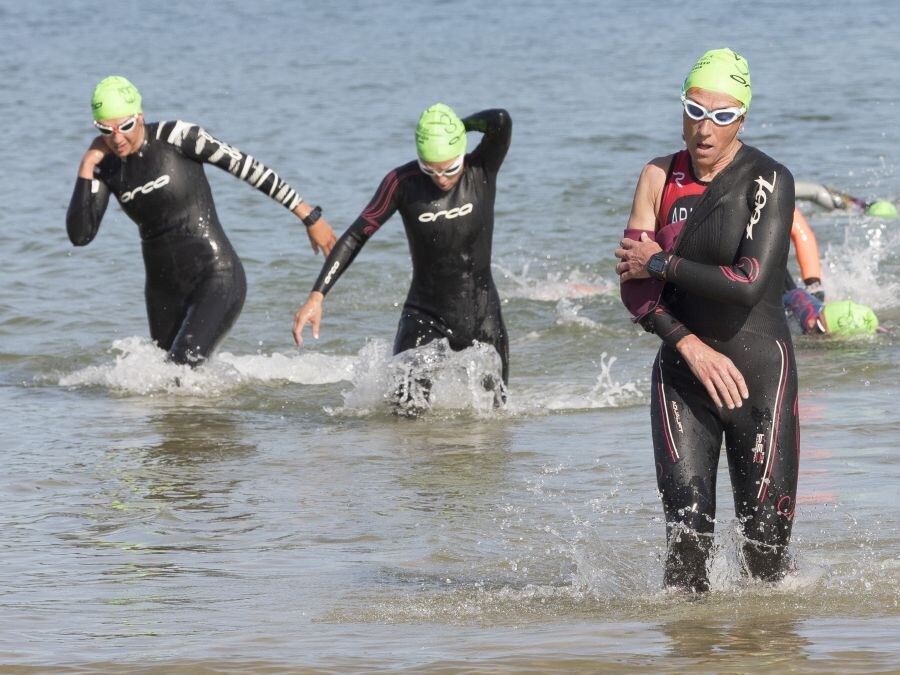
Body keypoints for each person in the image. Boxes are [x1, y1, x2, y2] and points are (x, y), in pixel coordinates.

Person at [614, 49, 798, 592]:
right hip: (683, 375)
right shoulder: (657, 175)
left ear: (742, 117)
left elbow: (747, 282)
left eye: (722, 116)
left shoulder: (768, 180)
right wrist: (688, 344)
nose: (706, 128)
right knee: (686, 547)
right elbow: (634, 288)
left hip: (760, 377)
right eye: (695, 110)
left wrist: (660, 261)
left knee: (765, 559)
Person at [67, 76, 337, 366]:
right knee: (165, 387)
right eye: (105, 129)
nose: (117, 138)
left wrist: (309, 216)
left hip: (217, 276)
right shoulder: (104, 167)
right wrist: (86, 165)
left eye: (126, 126)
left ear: (140, 116)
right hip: (162, 290)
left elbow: (247, 167)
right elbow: (81, 235)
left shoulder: (179, 136)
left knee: (179, 371)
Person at [292, 104, 512, 406]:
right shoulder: (401, 183)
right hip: (425, 318)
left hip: (483, 316)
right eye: (430, 169)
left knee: (497, 423)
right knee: (403, 421)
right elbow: (357, 234)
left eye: (450, 168)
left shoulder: (481, 169)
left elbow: (500, 120)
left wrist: (458, 126)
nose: (441, 179)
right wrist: (318, 295)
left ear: (462, 153)